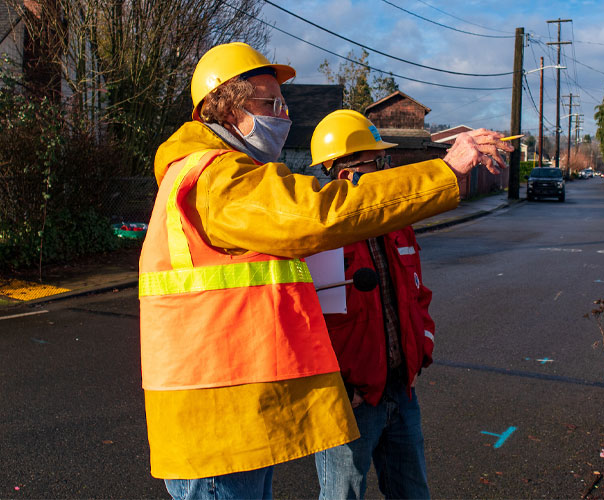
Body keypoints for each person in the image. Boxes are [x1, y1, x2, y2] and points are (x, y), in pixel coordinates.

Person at [139, 41, 512, 500]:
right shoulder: (215, 178)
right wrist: (444, 172)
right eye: (269, 103)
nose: (283, 114)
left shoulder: (216, 175)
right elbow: (317, 214)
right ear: (227, 106)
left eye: (283, 103)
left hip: (233, 421)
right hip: (218, 428)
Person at [309, 110, 436, 499]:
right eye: (377, 161)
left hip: (401, 390)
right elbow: (307, 325)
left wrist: (420, 354)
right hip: (352, 402)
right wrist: (337, 388)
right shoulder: (321, 237)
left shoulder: (397, 222)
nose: (388, 167)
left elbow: (417, 297)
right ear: (345, 172)